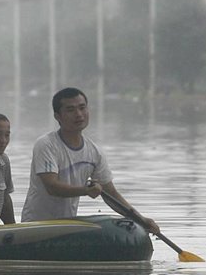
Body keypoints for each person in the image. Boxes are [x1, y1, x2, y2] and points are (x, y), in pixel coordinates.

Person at [20, 87, 159, 234]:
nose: (79, 114)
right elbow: (52, 187)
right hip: (35, 227)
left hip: (65, 227)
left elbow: (111, 194)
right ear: (57, 116)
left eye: (82, 108)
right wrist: (85, 191)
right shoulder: (46, 144)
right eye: (70, 110)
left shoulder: (94, 152)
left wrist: (140, 219)